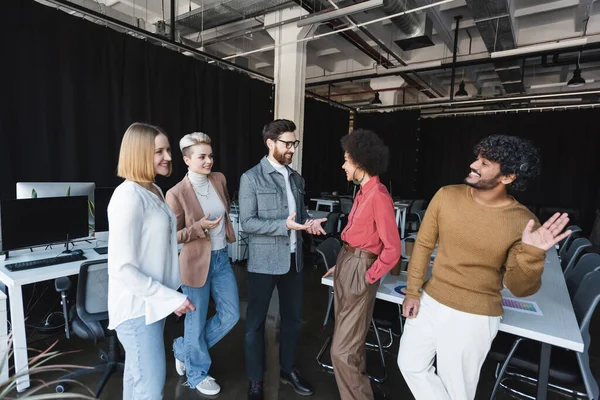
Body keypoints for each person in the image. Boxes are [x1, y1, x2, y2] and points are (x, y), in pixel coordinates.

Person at [397, 134, 571, 400]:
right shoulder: (446, 196)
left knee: (457, 391)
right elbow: (422, 245)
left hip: (475, 316)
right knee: (409, 364)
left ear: (508, 177)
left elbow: (520, 287)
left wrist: (533, 254)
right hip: (430, 300)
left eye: (485, 162)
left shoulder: (522, 222)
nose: (474, 165)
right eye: (477, 157)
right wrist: (412, 291)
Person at [239, 119, 327, 400]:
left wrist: (308, 223)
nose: (292, 149)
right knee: (254, 324)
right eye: (287, 143)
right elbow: (247, 223)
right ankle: (255, 380)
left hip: (294, 262)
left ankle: (288, 369)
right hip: (264, 264)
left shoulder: (297, 179)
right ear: (270, 143)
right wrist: (283, 226)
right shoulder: (251, 178)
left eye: (294, 143)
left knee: (293, 320)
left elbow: (297, 218)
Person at [107, 122, 196, 400]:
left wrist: (170, 297)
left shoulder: (154, 191)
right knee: (150, 388)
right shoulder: (128, 197)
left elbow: (162, 244)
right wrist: (169, 298)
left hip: (152, 304)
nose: (168, 157)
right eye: (159, 151)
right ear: (138, 153)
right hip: (137, 310)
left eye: (168, 150)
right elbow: (122, 268)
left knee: (137, 381)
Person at [323, 129, 402, 400]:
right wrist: (343, 265)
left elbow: (393, 249)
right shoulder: (362, 193)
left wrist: (369, 275)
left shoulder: (379, 196)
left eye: (347, 160)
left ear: (361, 162)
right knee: (352, 347)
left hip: (359, 270)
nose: (343, 165)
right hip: (347, 262)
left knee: (341, 351)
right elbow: (356, 239)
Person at [165, 132, 240, 396]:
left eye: (210, 156)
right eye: (202, 157)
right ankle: (197, 374)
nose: (209, 161)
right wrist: (197, 228)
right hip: (195, 263)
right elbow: (171, 235)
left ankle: (182, 348)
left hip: (220, 259)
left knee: (231, 314)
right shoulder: (175, 194)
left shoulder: (218, 179)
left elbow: (225, 210)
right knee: (195, 322)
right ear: (187, 160)